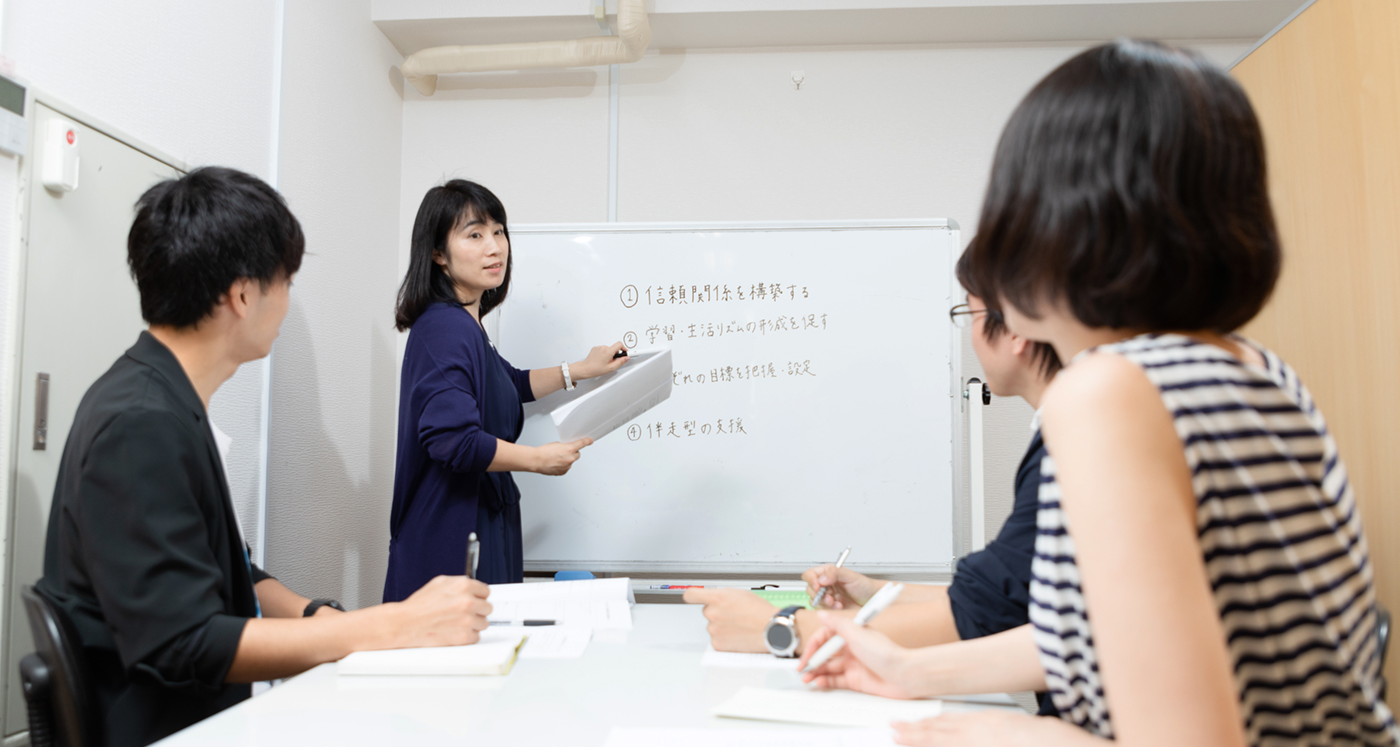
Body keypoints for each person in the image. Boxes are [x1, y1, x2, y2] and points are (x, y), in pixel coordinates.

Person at [799, 40, 1399, 747]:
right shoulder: (1255, 368)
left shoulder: (1108, 395)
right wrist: (909, 670)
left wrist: (1006, 737)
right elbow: (1105, 634)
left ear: (1069, 221)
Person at [36, 167, 493, 747]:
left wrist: (329, 621)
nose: (286, 301)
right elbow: (185, 643)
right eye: (285, 281)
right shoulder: (141, 424)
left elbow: (229, 570)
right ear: (244, 295)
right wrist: (389, 626)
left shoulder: (165, 400)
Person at [685, 287, 1062, 716]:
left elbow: (991, 613)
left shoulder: (1076, 440)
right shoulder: (1057, 431)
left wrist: (781, 626)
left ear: (1014, 329)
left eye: (969, 313)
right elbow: (1008, 597)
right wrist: (877, 593)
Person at [385, 180, 627, 598]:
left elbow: (508, 383)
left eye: (499, 232)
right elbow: (454, 441)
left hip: (480, 521)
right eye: (474, 235)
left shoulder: (466, 324)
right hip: (453, 537)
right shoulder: (444, 328)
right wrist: (536, 459)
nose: (495, 247)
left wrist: (581, 370)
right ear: (438, 253)